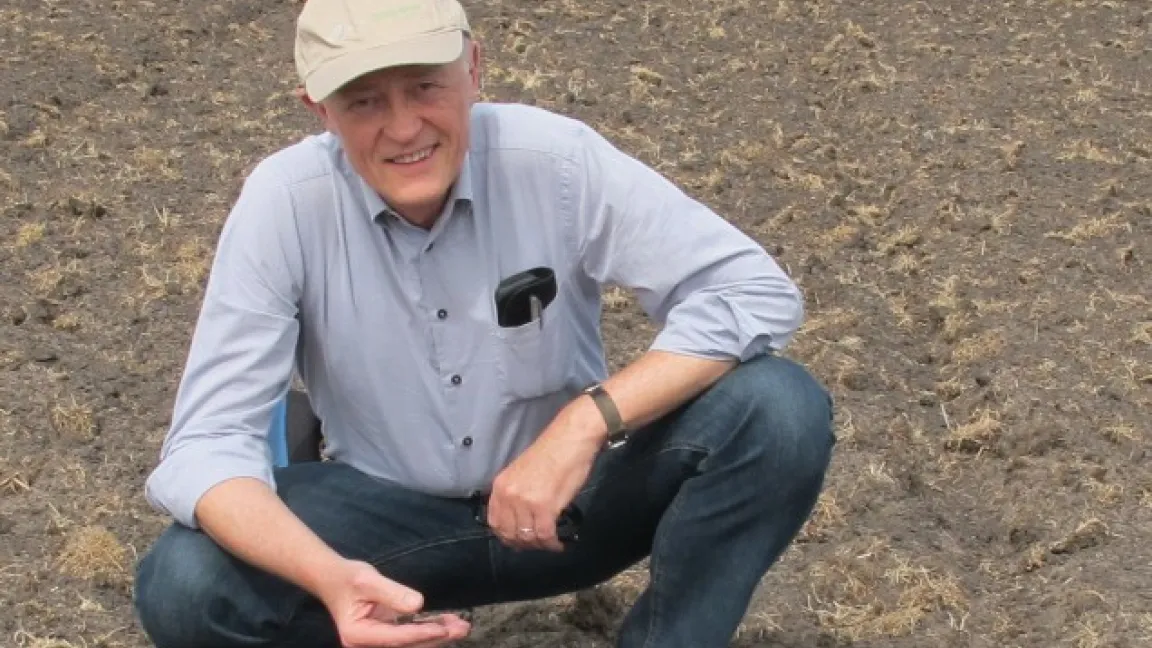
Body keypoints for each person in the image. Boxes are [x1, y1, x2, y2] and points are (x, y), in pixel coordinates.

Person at [132, 0, 836, 646]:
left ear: (473, 68)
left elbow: (752, 291)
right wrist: (328, 577)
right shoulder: (283, 204)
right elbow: (207, 445)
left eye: (426, 87)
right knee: (184, 583)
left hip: (571, 503)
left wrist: (583, 425)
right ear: (319, 109)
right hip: (383, 524)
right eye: (365, 101)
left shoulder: (555, 160)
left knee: (777, 409)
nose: (404, 127)